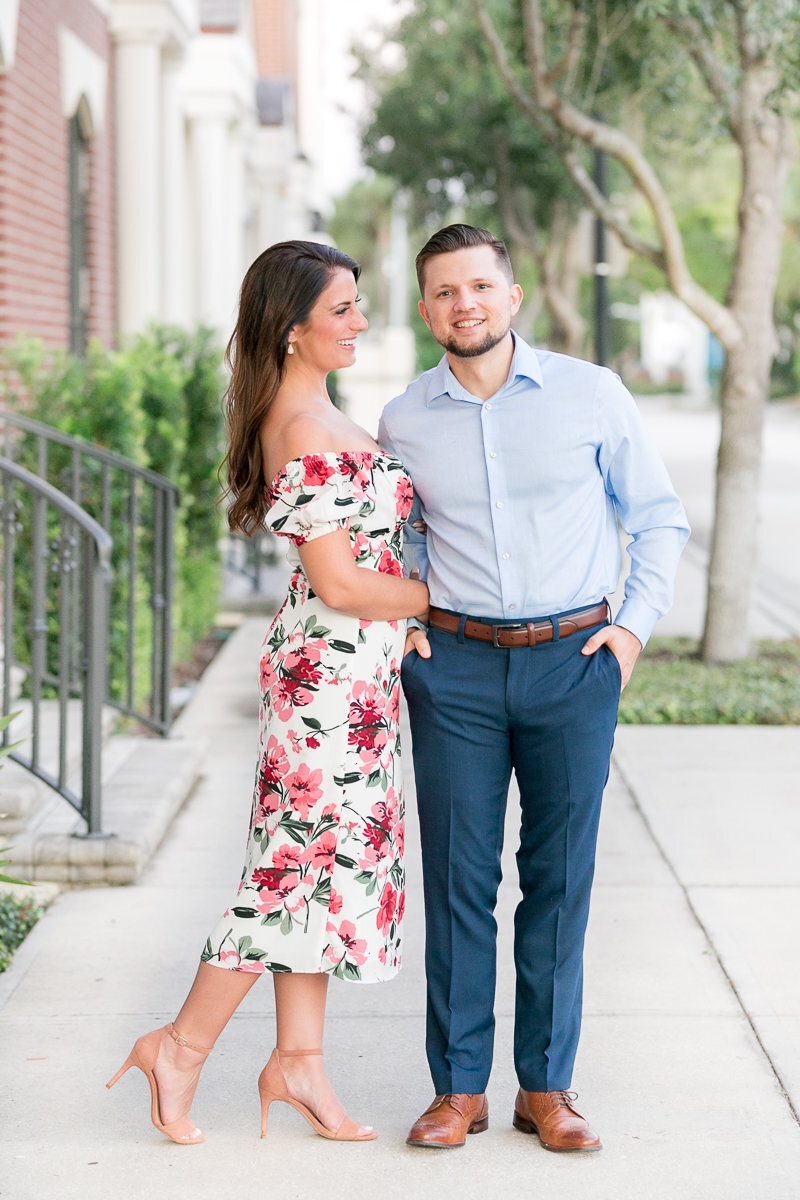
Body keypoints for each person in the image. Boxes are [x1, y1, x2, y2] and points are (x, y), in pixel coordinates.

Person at [107, 240, 428, 1146]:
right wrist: (447, 604)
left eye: (359, 305)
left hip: (351, 680)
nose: (360, 321)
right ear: (292, 332)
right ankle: (178, 1046)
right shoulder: (298, 429)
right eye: (343, 310)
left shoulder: (316, 409)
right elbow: (341, 584)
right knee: (287, 874)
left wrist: (403, 615)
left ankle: (298, 1064)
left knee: (319, 875)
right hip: (327, 682)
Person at [378, 224, 689, 1153]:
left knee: (557, 882)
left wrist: (629, 631)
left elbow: (659, 517)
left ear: (513, 296)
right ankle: (458, 1088)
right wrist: (405, 624)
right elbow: (401, 537)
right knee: (459, 879)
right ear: (425, 306)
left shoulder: (591, 395)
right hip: (457, 670)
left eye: (479, 286)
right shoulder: (403, 419)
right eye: (442, 290)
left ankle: (546, 1087)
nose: (462, 304)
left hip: (573, 662)